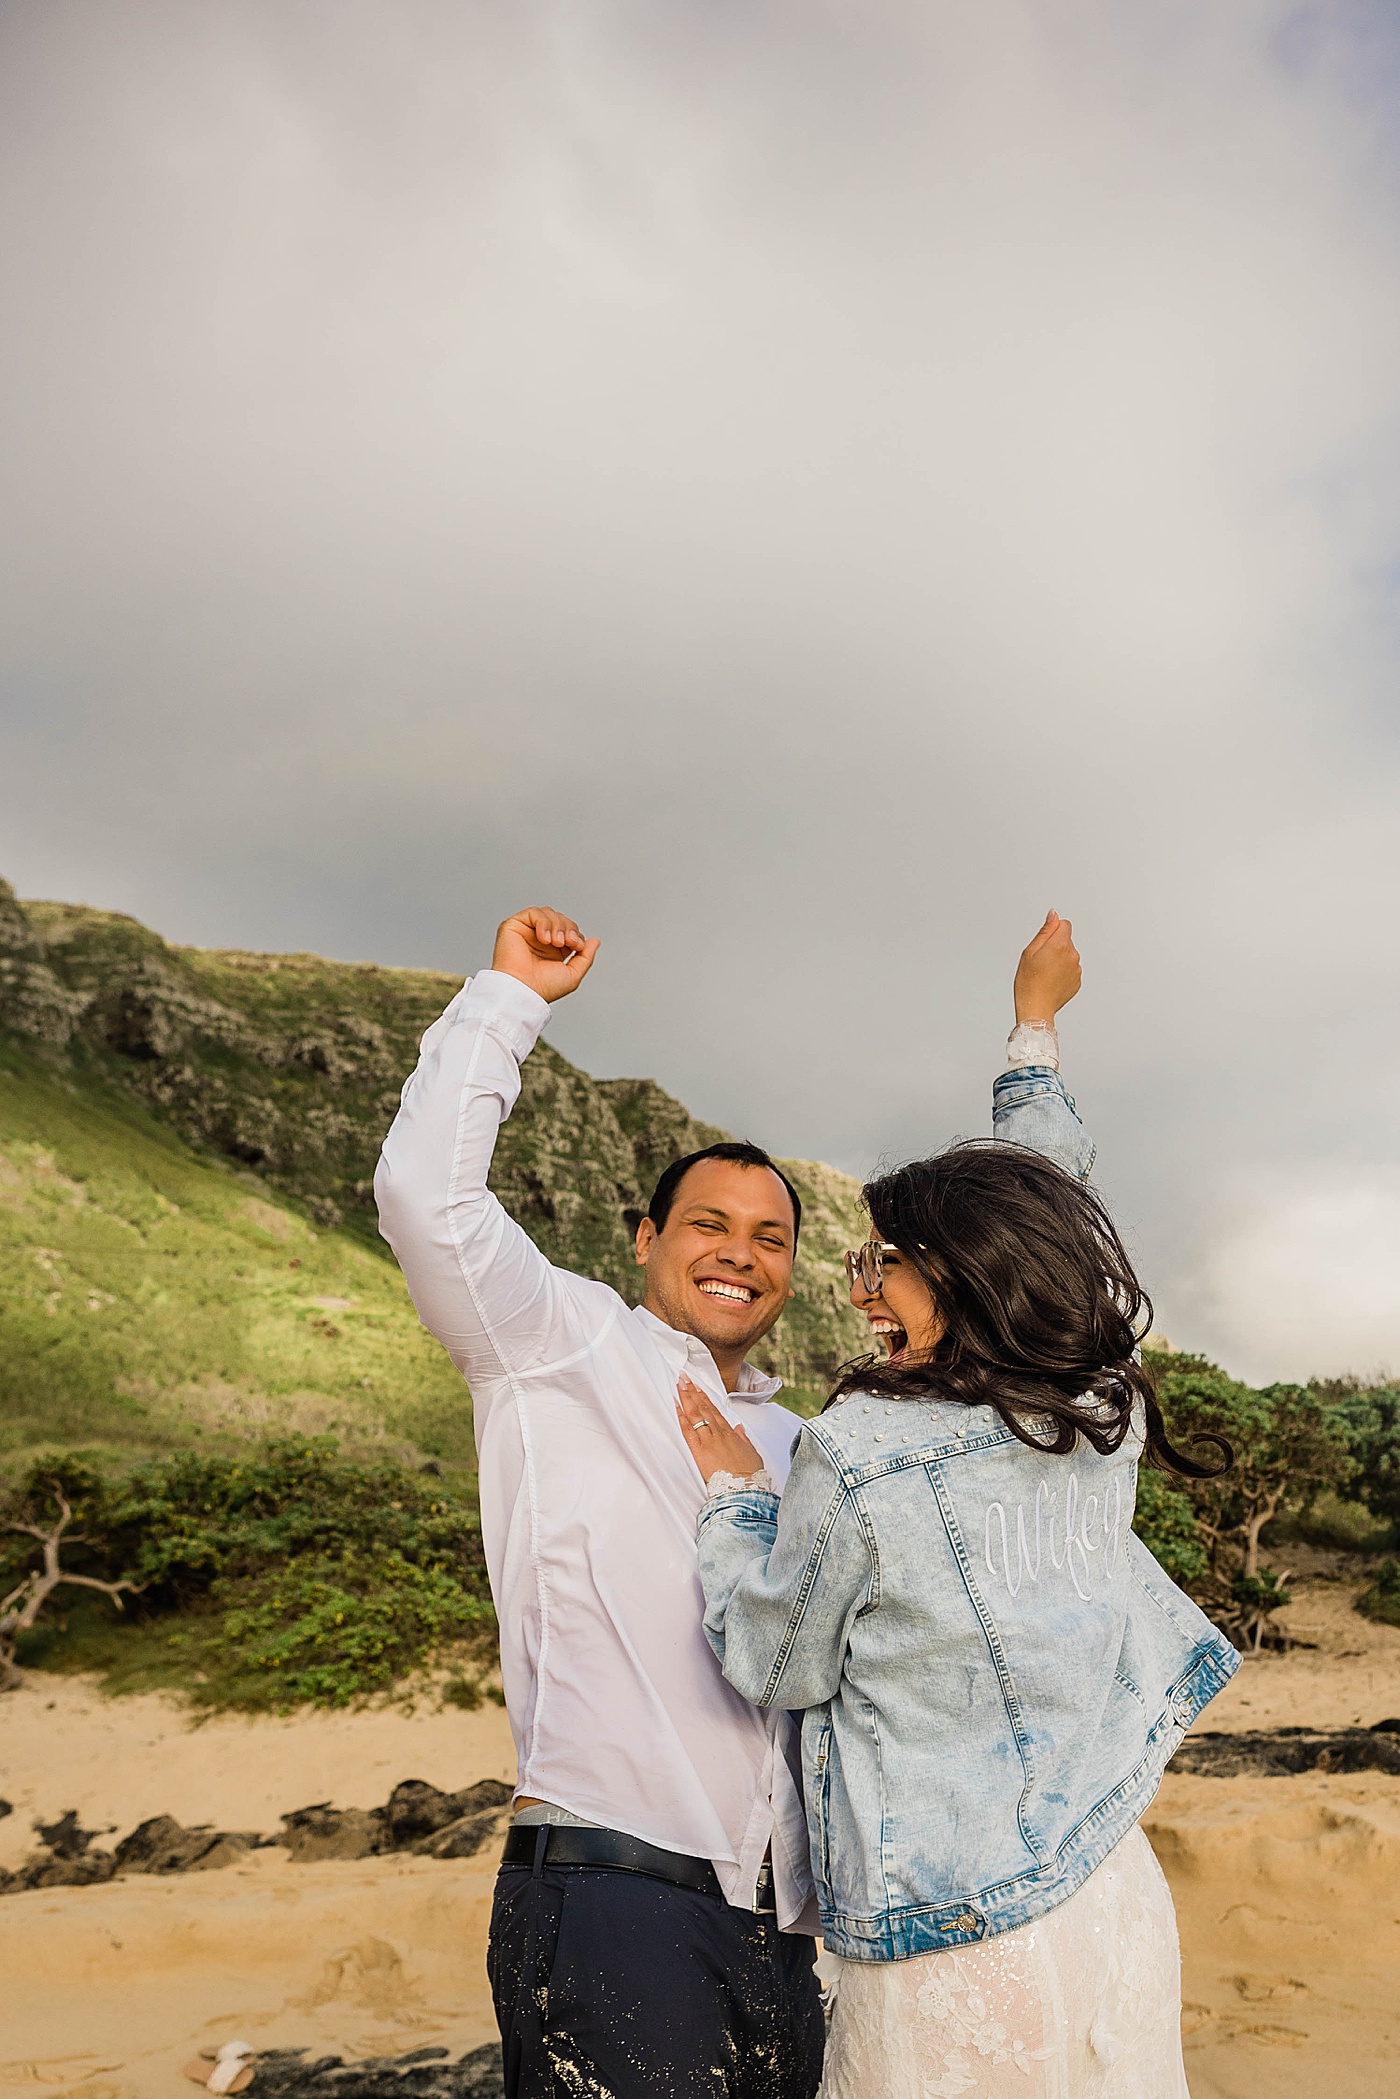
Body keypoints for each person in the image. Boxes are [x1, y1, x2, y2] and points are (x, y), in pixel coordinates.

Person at [375, 902, 1090, 2099]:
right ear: (645, 1237)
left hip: (796, 1930)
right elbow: (424, 1200)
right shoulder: (556, 1345)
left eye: (770, 1237)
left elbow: (1030, 1327)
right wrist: (510, 1001)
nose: (739, 1253)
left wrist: (1033, 1039)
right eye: (707, 1223)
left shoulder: (813, 1441)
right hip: (613, 1891)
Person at [677, 1140, 1239, 2098]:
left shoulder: (859, 1452)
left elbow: (779, 1665)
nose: (863, 1295)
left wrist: (736, 1502)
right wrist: (1036, 1038)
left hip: (950, 1927)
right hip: (1111, 1890)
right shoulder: (1102, 1401)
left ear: (964, 1269)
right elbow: (1057, 1219)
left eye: (883, 1263)